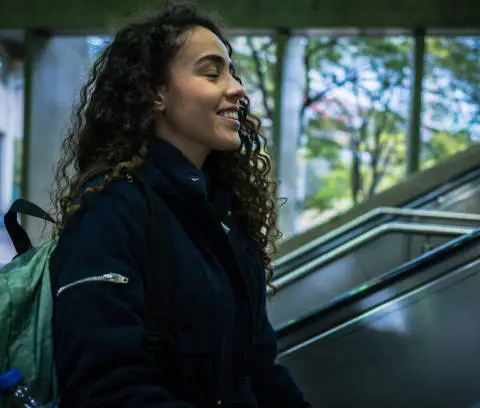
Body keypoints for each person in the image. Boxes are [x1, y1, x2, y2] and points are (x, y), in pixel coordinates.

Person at [48, 2, 312, 407]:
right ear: (155, 93)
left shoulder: (226, 214)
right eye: (212, 72)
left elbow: (259, 369)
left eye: (232, 71)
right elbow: (105, 390)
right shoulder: (110, 210)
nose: (237, 88)